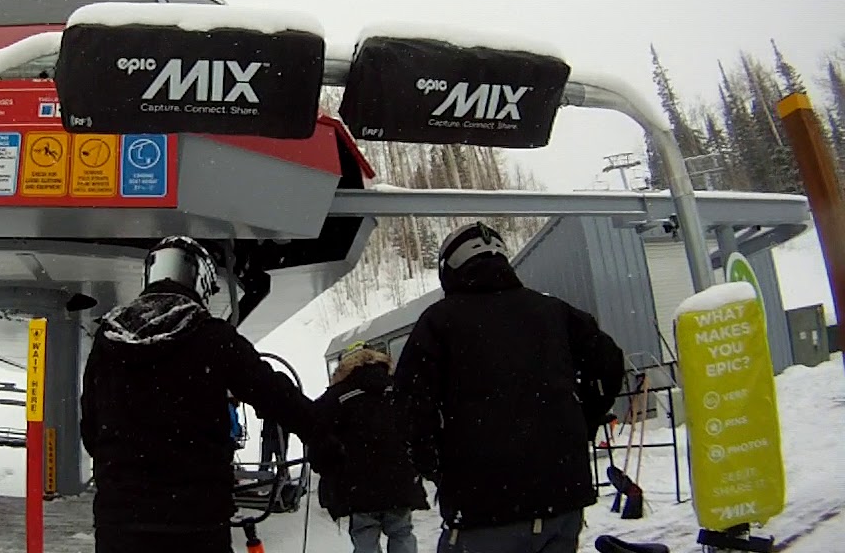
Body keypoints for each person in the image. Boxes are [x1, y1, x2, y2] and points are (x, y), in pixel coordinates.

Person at [80, 235, 339, 553]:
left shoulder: (107, 341)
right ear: (201, 281)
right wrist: (325, 439)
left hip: (120, 522)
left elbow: (90, 430)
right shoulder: (213, 337)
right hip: (195, 520)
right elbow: (276, 395)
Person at [392, 222, 625, 553]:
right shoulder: (554, 311)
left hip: (484, 504)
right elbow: (609, 364)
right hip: (562, 495)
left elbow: (408, 408)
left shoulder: (439, 321)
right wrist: (577, 423)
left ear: (450, 269)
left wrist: (438, 465)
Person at [314, 343, 429, 553]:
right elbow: (419, 427)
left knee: (365, 534)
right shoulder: (399, 388)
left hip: (358, 485)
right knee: (401, 531)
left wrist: (324, 467)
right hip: (399, 480)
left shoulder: (337, 397)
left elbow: (318, 434)